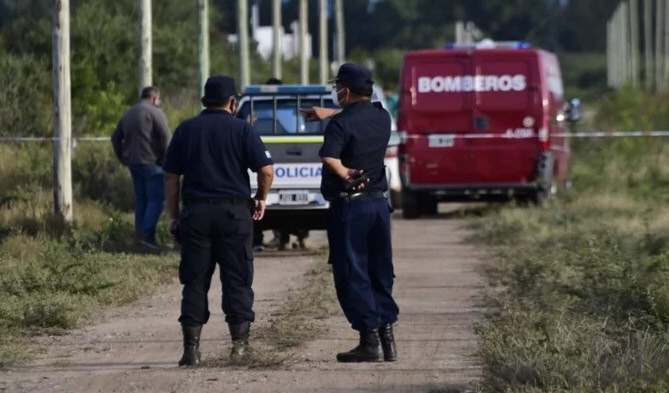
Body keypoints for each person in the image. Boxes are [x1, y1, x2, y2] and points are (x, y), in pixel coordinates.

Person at [162, 75, 274, 367]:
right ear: (233, 103)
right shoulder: (243, 130)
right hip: (234, 214)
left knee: (195, 281)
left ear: (203, 102)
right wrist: (261, 197)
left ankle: (191, 350)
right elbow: (266, 170)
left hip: (196, 214)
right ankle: (239, 347)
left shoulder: (186, 130)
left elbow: (171, 177)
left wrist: (174, 215)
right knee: (237, 280)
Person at [304, 63, 399, 362]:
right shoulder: (382, 116)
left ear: (346, 90)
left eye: (338, 87)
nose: (335, 92)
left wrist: (344, 171)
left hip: (350, 206)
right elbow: (357, 117)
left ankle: (368, 340)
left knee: (352, 271)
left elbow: (329, 156)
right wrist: (329, 113)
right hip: (378, 206)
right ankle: (387, 338)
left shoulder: (340, 125)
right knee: (379, 270)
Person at [111, 86, 171, 249]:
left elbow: (115, 137)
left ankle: (139, 236)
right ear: (153, 98)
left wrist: (122, 157)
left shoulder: (128, 113)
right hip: (152, 162)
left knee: (141, 199)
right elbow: (166, 136)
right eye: (158, 100)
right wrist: (167, 158)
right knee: (157, 199)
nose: (159, 103)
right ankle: (147, 237)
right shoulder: (155, 112)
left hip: (134, 163)